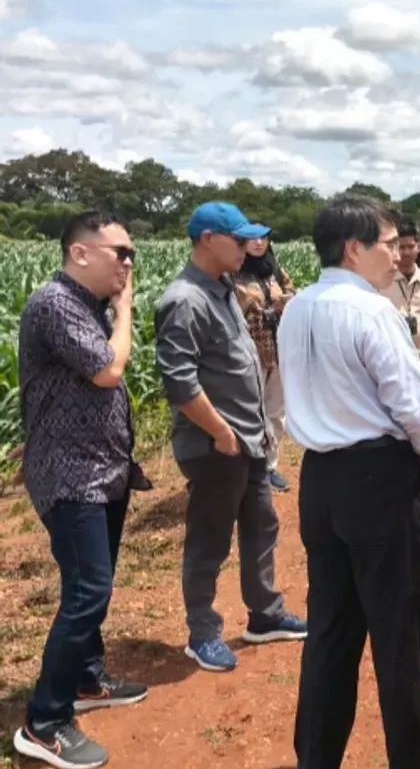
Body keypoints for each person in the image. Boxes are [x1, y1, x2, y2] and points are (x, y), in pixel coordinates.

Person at [276, 194, 420, 769]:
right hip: (380, 478)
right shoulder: (372, 310)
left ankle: (317, 757)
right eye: (387, 243)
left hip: (321, 480)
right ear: (354, 249)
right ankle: (415, 758)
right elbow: (411, 400)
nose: (397, 254)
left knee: (330, 630)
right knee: (399, 626)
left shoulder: (297, 308)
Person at [14, 212, 148, 769]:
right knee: (87, 590)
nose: (128, 263)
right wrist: (126, 310)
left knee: (96, 582)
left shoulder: (87, 305)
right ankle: (43, 724)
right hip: (70, 476)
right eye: (120, 251)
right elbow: (108, 371)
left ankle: (87, 680)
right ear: (79, 252)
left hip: (102, 470)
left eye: (132, 254)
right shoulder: (55, 303)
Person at [155, 201, 307, 673]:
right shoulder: (184, 300)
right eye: (238, 240)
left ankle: (264, 613)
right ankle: (202, 633)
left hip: (250, 439)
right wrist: (221, 433)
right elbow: (179, 382)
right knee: (210, 540)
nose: (248, 248)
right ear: (207, 240)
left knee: (262, 527)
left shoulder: (223, 290)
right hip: (217, 445)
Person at [231, 225, 296, 492]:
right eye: (253, 238)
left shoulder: (275, 272)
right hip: (248, 351)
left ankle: (269, 466)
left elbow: (291, 291)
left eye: (264, 237)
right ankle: (247, 466)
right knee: (247, 410)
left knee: (275, 411)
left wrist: (287, 301)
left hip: (277, 349)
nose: (259, 242)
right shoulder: (232, 274)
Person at [381, 217, 420, 367]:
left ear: (418, 247)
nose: (406, 252)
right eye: (401, 247)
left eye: (410, 246)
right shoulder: (382, 280)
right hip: (392, 357)